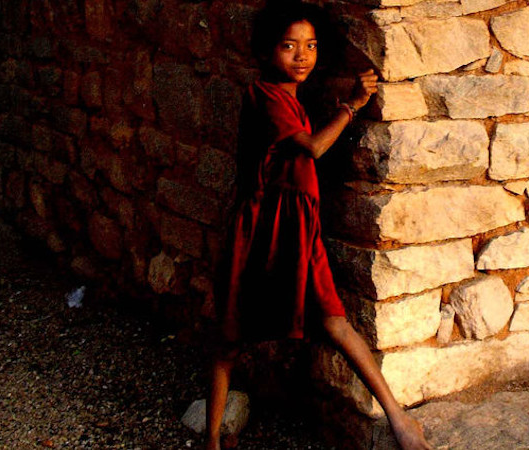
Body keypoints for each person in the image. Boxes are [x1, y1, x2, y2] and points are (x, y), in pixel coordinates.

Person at [205, 3, 432, 450]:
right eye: (289, 46)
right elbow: (309, 148)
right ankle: (211, 439)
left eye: (310, 46)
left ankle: (399, 419)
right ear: (268, 50)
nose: (301, 56)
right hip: (259, 228)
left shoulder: (293, 97)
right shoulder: (265, 95)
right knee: (230, 337)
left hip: (298, 228)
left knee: (334, 320)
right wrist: (351, 107)